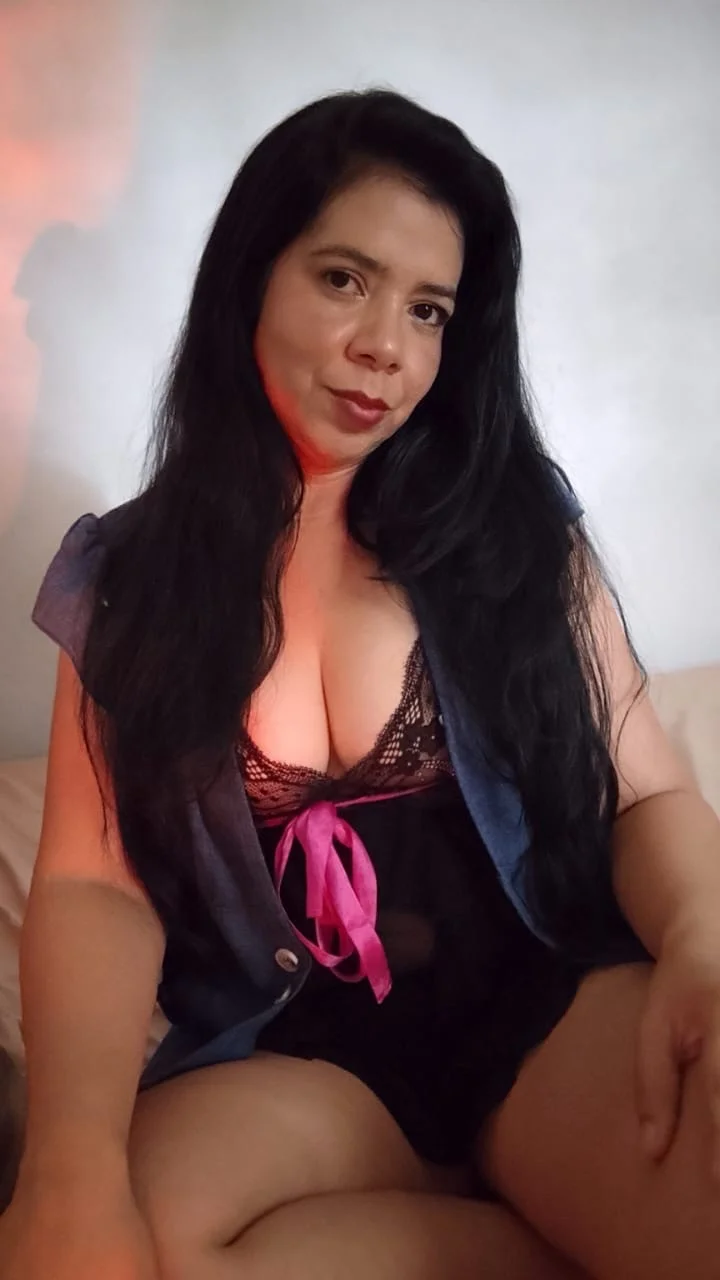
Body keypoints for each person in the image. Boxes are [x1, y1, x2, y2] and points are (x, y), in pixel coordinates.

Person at [1, 88, 719, 1280]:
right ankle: (548, 1225)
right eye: (345, 279)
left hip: (541, 1012)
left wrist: (701, 933)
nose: (388, 345)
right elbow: (91, 882)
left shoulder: (512, 527)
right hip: (309, 1050)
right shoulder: (128, 580)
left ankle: (565, 1187)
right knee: (134, 1242)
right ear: (251, 277)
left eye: (429, 309)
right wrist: (64, 1167)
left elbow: (646, 785)